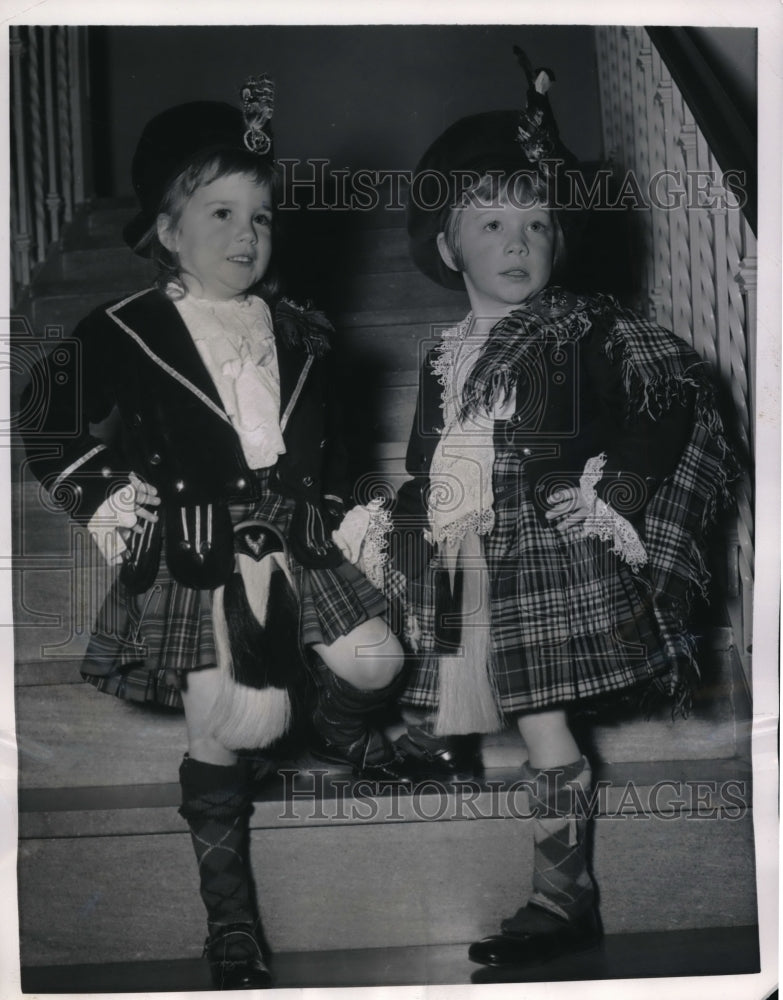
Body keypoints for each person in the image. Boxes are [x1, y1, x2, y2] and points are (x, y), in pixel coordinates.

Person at [21, 77, 412, 990]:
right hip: (198, 551)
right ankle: (229, 920)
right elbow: (45, 420)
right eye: (222, 212)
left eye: (263, 217)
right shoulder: (124, 328)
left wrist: (357, 512)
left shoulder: (303, 331)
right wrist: (120, 504)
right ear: (166, 230)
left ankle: (341, 732)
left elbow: (339, 445)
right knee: (226, 726)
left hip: (298, 539)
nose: (248, 235)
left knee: (376, 662)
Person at [392, 57, 736, 967]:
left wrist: (613, 489)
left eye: (537, 222)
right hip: (466, 551)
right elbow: (424, 462)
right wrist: (398, 522)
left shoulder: (586, 327)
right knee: (429, 657)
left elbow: (675, 392)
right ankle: (432, 739)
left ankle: (561, 897)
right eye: (493, 223)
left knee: (545, 722)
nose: (519, 241)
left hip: (542, 550)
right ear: (446, 248)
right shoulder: (440, 356)